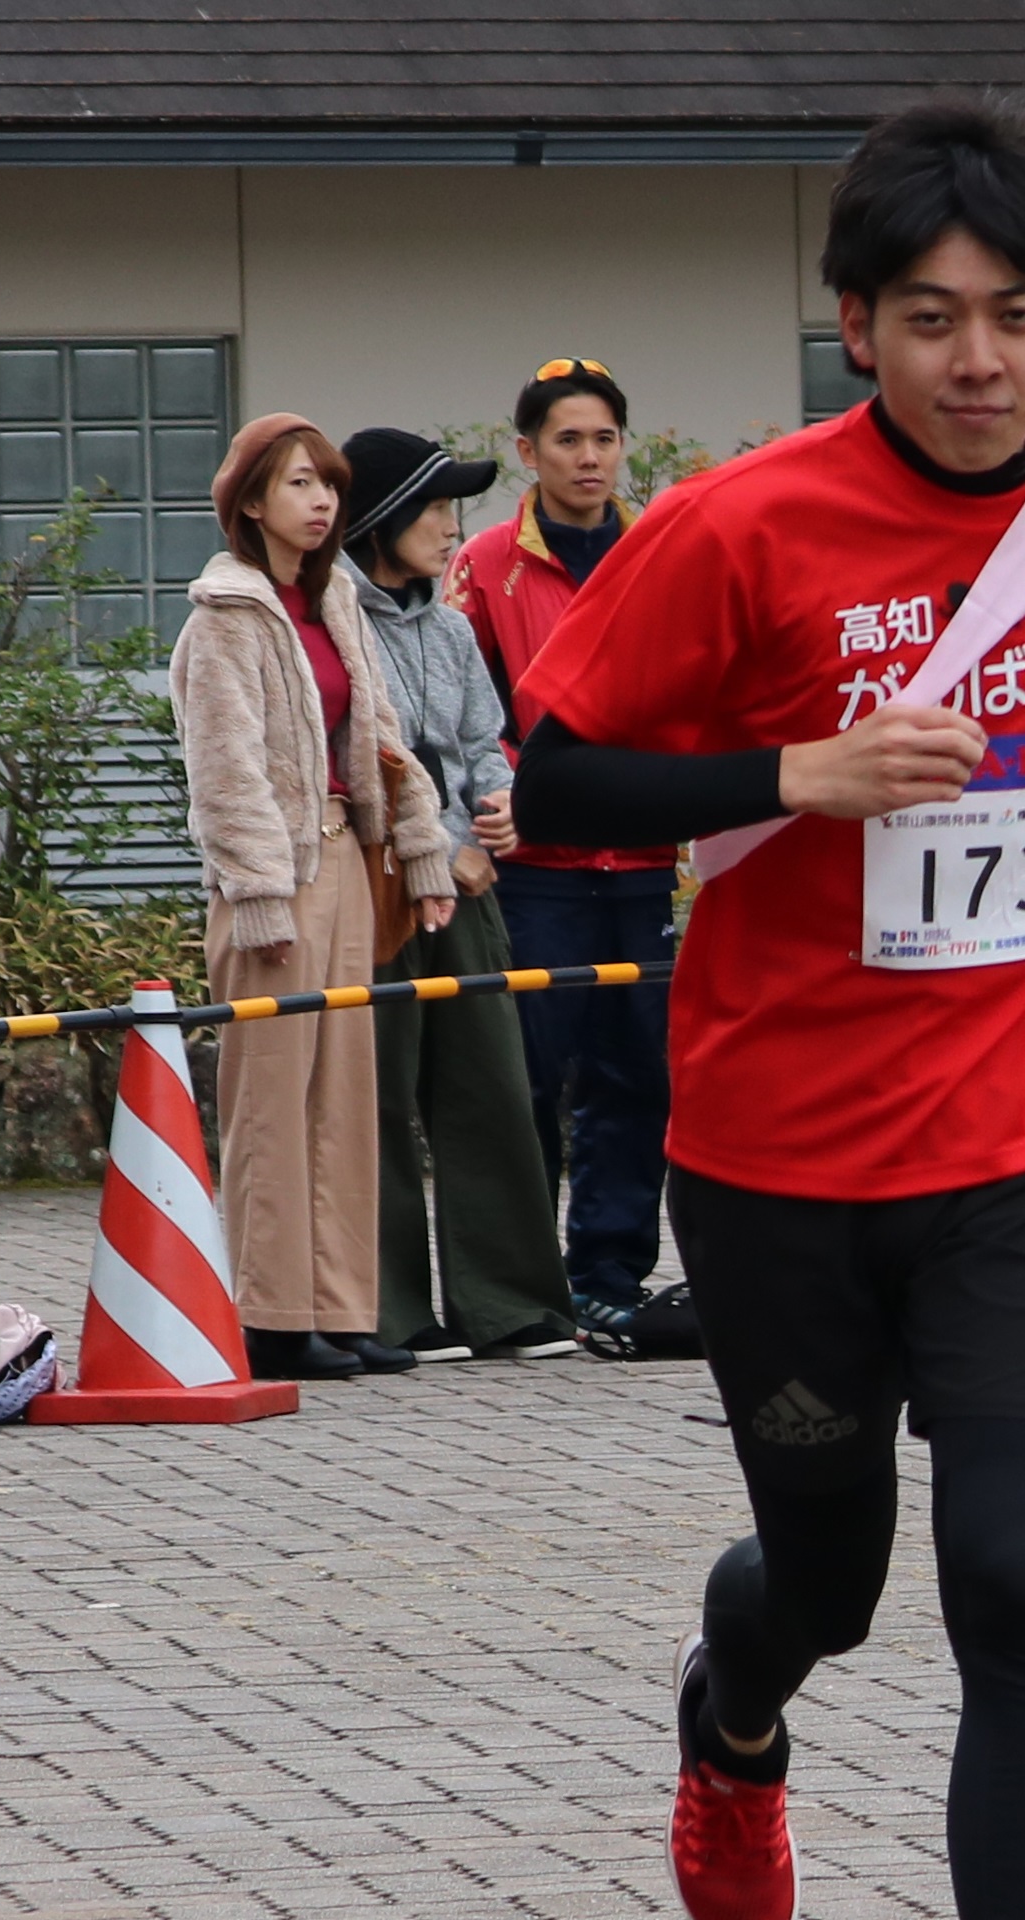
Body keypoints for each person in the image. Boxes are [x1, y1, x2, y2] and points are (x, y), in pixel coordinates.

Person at [502, 99, 1025, 1920]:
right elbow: (556, 773)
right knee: (828, 1576)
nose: (977, 359)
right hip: (784, 1152)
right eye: (928, 318)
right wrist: (796, 773)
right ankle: (733, 1720)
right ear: (853, 323)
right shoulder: (733, 525)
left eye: (1019, 315)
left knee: (1011, 1574)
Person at [171, 416, 455, 1382]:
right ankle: (271, 1315)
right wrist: (257, 890)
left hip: (345, 861)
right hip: (274, 878)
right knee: (270, 1097)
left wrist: (421, 851)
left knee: (345, 1093)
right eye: (298, 482)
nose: (322, 500)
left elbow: (382, 738)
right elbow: (225, 770)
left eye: (327, 483)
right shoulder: (224, 615)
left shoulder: (334, 602)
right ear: (250, 501)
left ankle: (339, 1307)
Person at [447, 358, 673, 1345]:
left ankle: (610, 1274)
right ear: (526, 452)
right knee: (527, 1078)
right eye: (568, 440)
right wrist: (520, 799)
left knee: (638, 1076)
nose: (589, 458)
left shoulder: (661, 547)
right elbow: (469, 712)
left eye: (604, 439)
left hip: (643, 862)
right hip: (535, 868)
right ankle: (521, 1283)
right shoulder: (486, 563)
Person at [341, 427, 578, 1366]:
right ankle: (392, 1310)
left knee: (493, 1084)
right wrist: (444, 849)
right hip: (380, 886)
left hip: (469, 884)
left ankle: (511, 1303)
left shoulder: (446, 625)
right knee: (379, 1094)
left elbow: (485, 741)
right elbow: (361, 765)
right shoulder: (331, 626)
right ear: (382, 518)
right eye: (435, 507)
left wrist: (501, 814)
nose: (451, 527)